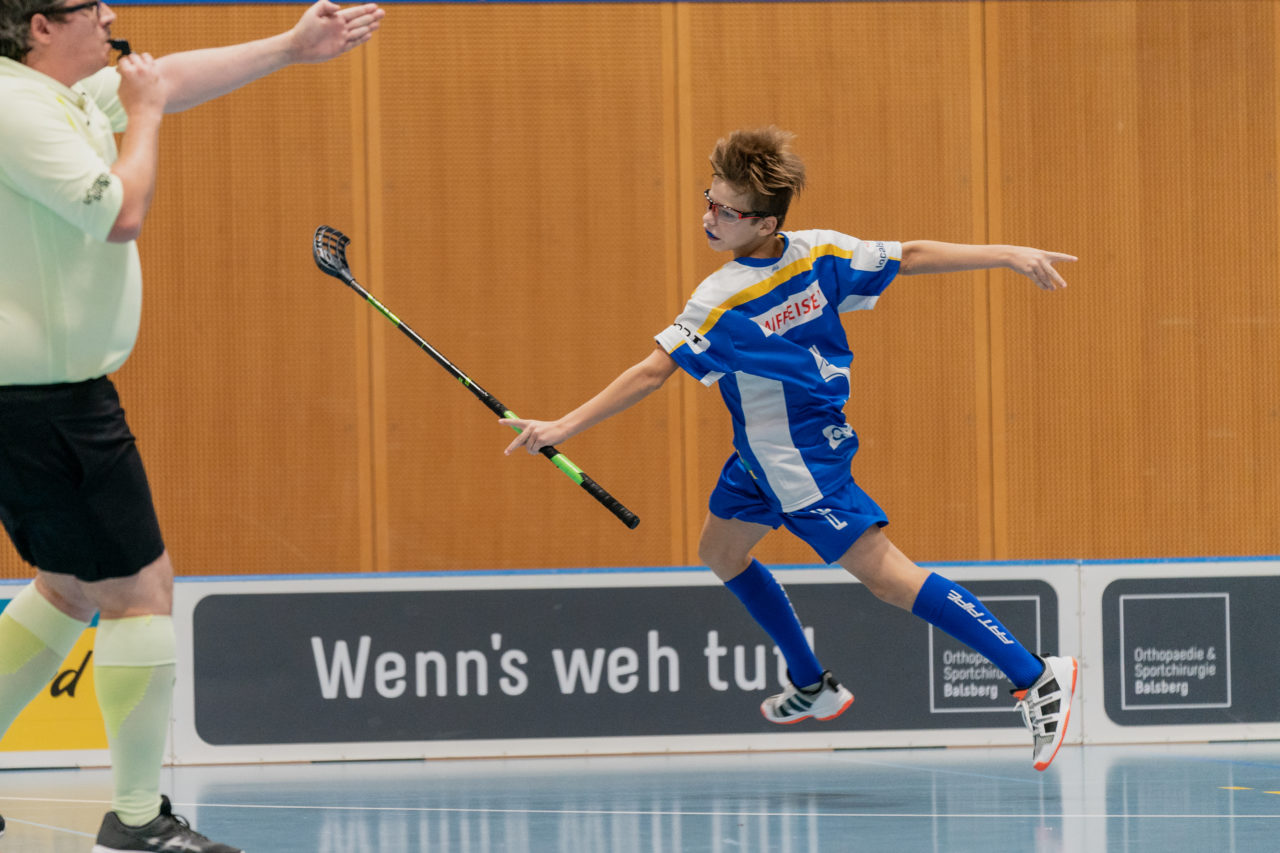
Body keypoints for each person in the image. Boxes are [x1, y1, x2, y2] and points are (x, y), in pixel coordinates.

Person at [503, 126, 1080, 772]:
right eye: (708, 200)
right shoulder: (820, 250)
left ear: (765, 222)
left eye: (725, 211)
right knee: (720, 549)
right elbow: (908, 254)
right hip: (759, 452)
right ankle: (811, 681)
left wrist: (560, 427)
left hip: (799, 459)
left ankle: (1035, 676)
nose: (708, 217)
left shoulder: (723, 297)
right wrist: (1007, 254)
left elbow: (651, 372)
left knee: (886, 576)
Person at [0, 0, 383, 850]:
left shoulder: (52, 92)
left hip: (42, 398)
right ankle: (137, 820)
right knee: (142, 591)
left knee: (68, 587)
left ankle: (136, 816)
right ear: (38, 26)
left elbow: (165, 79)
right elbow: (116, 211)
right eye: (88, 8)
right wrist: (140, 120)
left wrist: (291, 47)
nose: (109, 16)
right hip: (50, 402)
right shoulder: (15, 109)